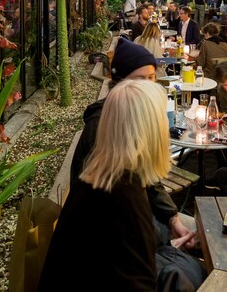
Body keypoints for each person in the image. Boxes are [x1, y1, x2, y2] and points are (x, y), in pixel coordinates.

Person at [41, 80, 203, 291]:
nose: (167, 124)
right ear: (148, 130)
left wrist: (168, 245)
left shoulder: (102, 175)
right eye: (162, 117)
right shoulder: (124, 195)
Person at [70, 40, 201, 269]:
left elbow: (147, 179)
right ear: (122, 82)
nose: (151, 85)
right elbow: (110, 225)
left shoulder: (125, 120)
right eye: (142, 80)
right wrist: (167, 245)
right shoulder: (104, 127)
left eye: (152, 78)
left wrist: (172, 217)